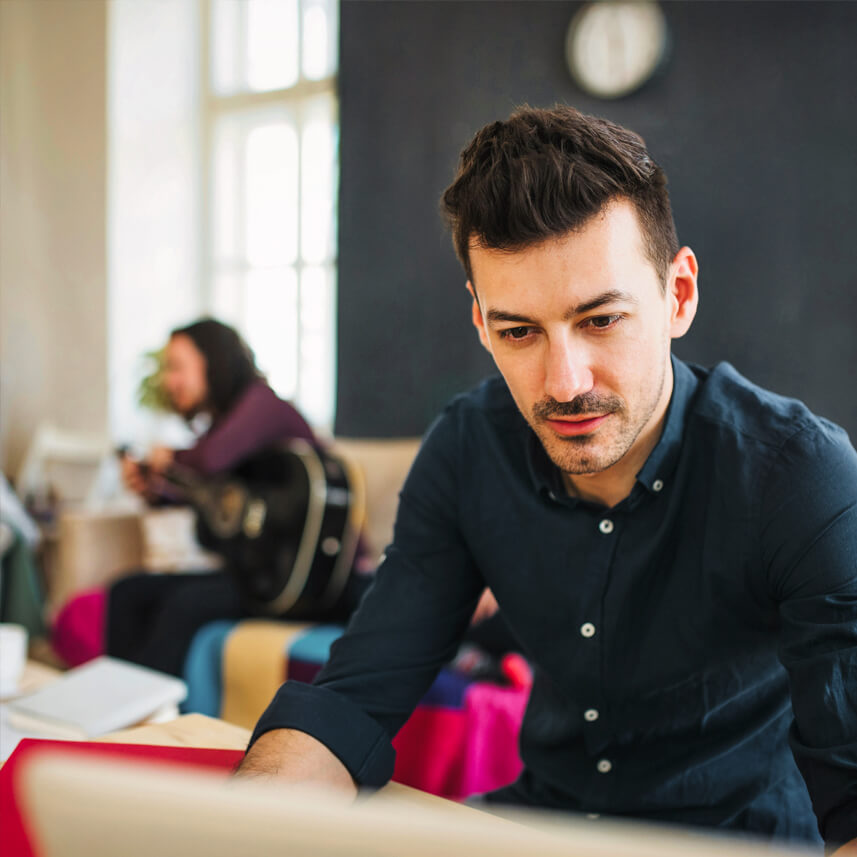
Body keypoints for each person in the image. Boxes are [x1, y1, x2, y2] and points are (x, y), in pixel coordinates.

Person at [237, 107, 857, 852]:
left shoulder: (797, 475)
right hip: (541, 827)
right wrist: (242, 832)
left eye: (599, 321)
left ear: (677, 295)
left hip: (736, 839)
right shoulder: (467, 448)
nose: (562, 384)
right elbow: (356, 698)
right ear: (479, 321)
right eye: (518, 331)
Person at [106, 318, 372, 677]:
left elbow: (211, 459)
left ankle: (149, 714)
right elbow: (214, 499)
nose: (170, 381)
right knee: (127, 592)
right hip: (262, 574)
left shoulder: (262, 404)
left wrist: (166, 458)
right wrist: (157, 492)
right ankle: (120, 707)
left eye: (178, 367)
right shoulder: (224, 423)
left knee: (183, 605)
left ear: (212, 363)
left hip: (312, 581)